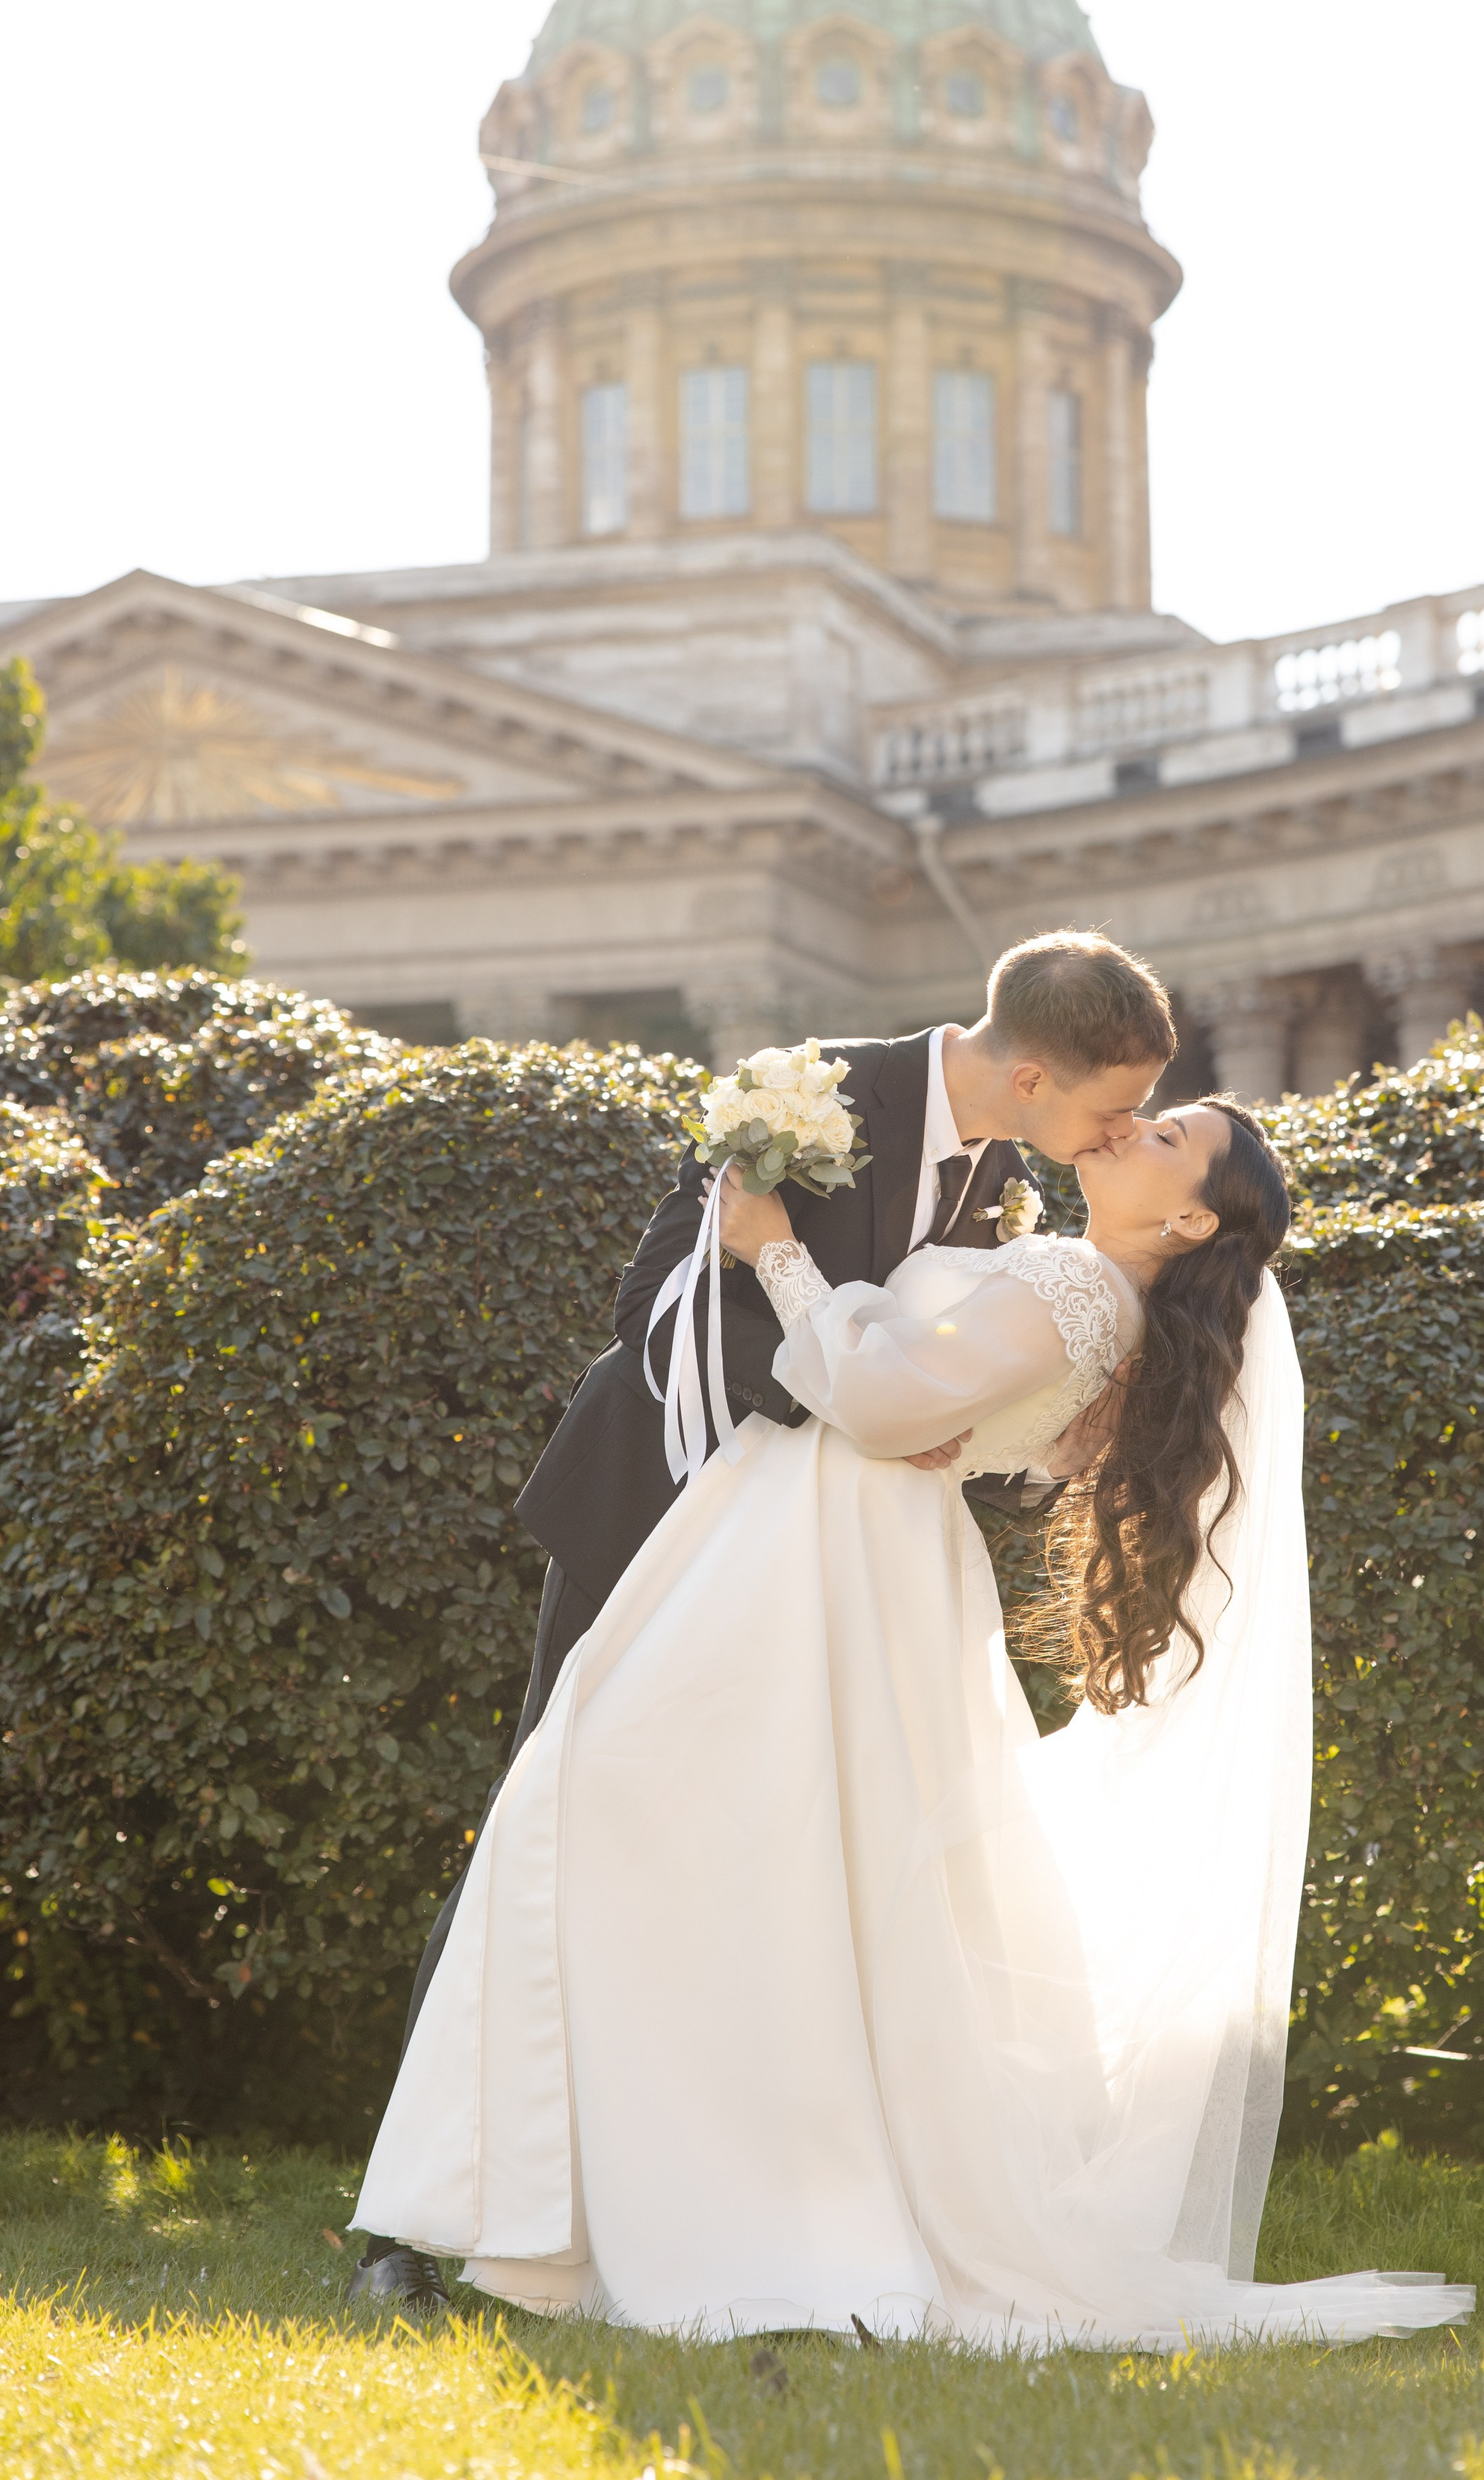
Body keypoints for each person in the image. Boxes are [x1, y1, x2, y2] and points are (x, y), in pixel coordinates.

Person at [351, 1091, 1474, 2348]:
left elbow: (880, 1406)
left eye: (1168, 1140)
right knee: (728, 1846)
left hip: (830, 1548)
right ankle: (601, 2196)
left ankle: (663, 2203)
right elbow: (980, 1427)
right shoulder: (1085, 1285)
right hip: (834, 1548)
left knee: (626, 1798)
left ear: (1193, 1214)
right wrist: (939, 1395)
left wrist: (775, 1245)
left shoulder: (1085, 1286)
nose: (1135, 1129)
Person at [349, 932, 1177, 2310]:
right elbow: (656, 1304)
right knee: (552, 1815)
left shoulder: (1006, 1172)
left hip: (804, 1570)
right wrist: (845, 1393)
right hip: (658, 1502)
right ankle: (421, 2223)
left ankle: (659, 2188)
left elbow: (928, 1353)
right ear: (1033, 1072)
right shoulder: (816, 1095)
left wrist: (913, 1410)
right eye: (1109, 1106)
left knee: (740, 1863)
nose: (1123, 1131)